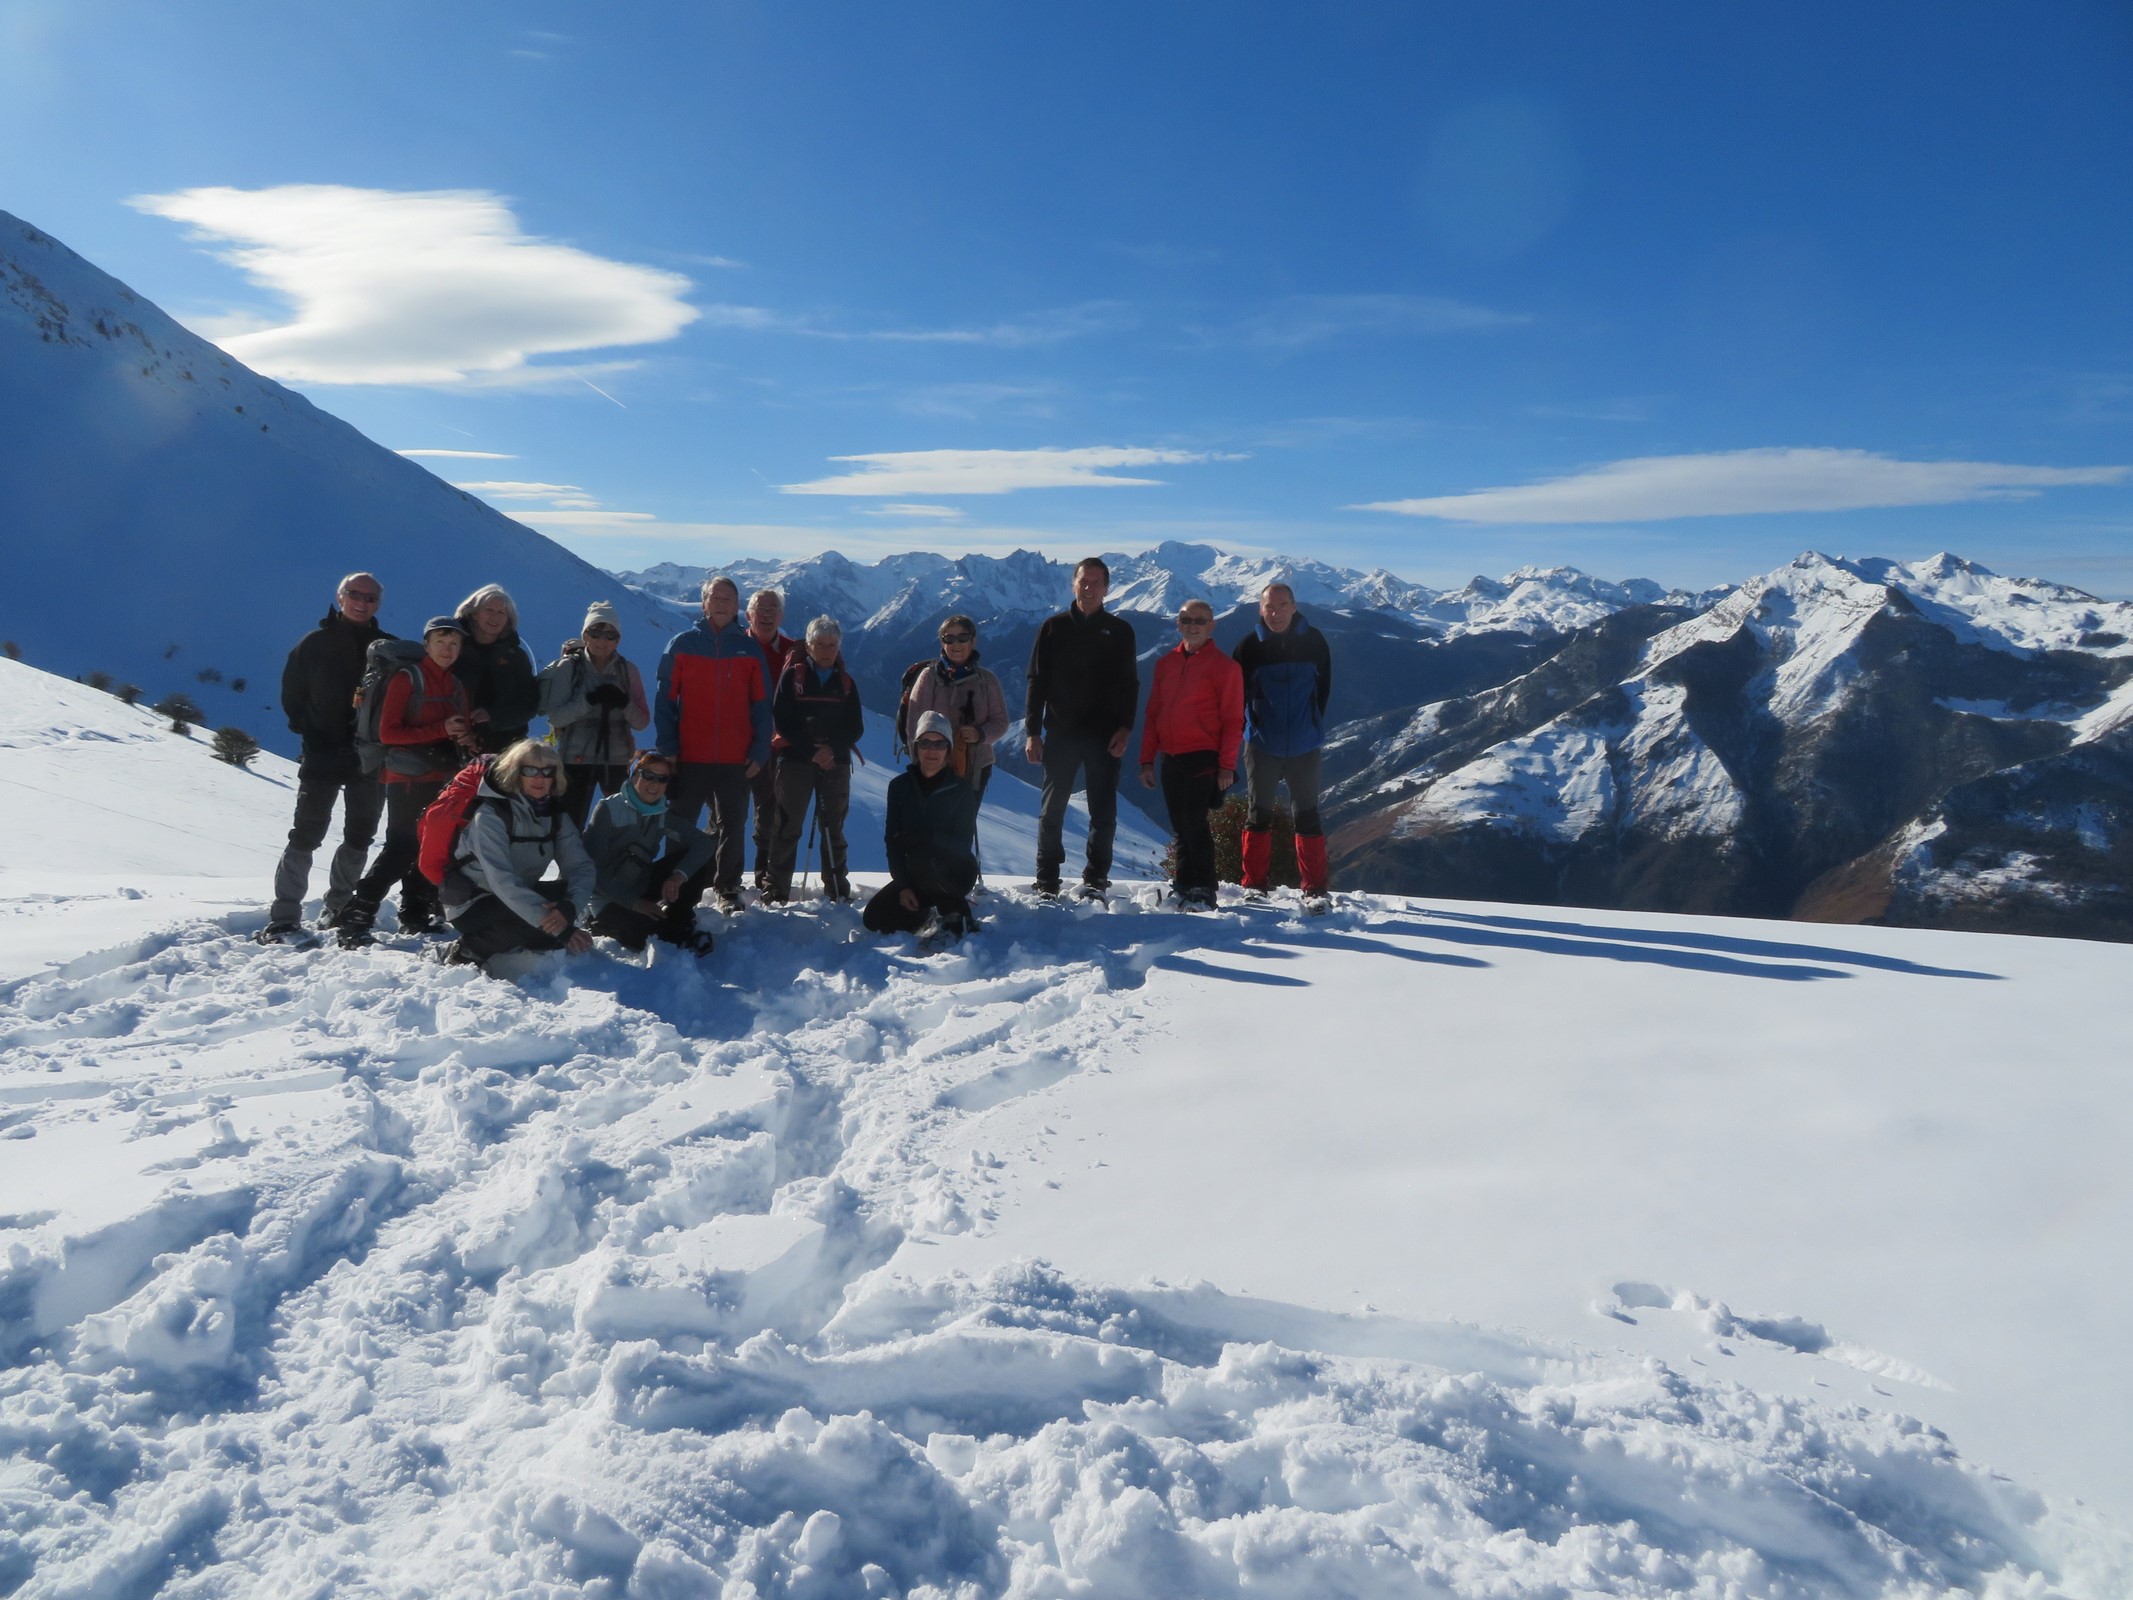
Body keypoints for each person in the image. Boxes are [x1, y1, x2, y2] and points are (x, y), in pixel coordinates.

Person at [258, 572, 390, 943]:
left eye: (370, 597)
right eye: (354, 594)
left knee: (360, 834)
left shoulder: (388, 650)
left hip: (369, 758)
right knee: (306, 834)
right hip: (322, 755)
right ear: (340, 596)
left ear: (378, 604)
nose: (361, 602)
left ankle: (339, 906)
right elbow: (292, 696)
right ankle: (284, 916)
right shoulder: (314, 645)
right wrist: (313, 734)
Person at [339, 615, 478, 945]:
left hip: (441, 774)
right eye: (440, 642)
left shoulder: (455, 685)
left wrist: (465, 737)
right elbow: (389, 732)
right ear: (427, 645)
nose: (447, 649)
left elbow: (460, 728)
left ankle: (413, 912)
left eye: (454, 644)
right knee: (402, 846)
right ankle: (358, 912)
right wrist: (441, 730)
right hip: (406, 776)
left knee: (432, 844)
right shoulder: (407, 678)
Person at [654, 574, 771, 912]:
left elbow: (762, 704)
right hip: (689, 756)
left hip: (736, 757)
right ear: (703, 603)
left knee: (732, 825)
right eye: (714, 598)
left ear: (737, 607)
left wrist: (760, 748)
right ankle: (673, 887)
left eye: (727, 599)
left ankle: (728, 888)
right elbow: (665, 701)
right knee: (679, 825)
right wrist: (668, 747)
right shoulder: (681, 645)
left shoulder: (749, 649)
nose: (721, 604)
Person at [1023, 557, 1138, 898]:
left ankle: (1096, 878)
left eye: (1096, 583)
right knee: (1051, 809)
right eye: (1083, 582)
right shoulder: (1053, 627)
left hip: (1104, 734)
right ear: (1073, 584)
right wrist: (1032, 731)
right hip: (1060, 732)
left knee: (1103, 810)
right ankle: (1047, 879)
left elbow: (1129, 684)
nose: (1089, 589)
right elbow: (1036, 681)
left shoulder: (1120, 631)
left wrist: (1126, 727)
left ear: (1106, 588)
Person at [440, 740, 599, 968]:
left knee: (562, 900)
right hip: (473, 902)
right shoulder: (491, 816)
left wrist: (569, 908)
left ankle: (528, 934)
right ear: (516, 773)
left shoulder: (556, 816)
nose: (540, 778)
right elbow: (502, 881)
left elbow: (581, 867)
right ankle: (467, 950)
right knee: (539, 925)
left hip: (517, 896)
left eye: (547, 772)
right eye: (530, 771)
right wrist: (561, 927)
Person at [1139, 598, 1245, 909]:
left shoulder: (1225, 668)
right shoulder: (1165, 664)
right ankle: (1184, 884)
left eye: (1200, 620)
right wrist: (1146, 759)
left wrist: (1226, 766)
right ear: (1178, 623)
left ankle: (1204, 887)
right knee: (1180, 825)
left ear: (1211, 626)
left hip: (1204, 756)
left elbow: (1233, 719)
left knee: (1194, 822)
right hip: (1170, 757)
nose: (1193, 625)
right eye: (1187, 619)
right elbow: (1154, 713)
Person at [1231, 581, 1334, 899]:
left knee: (1307, 814)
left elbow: (1324, 688)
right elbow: (1237, 696)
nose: (1275, 613)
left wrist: (1311, 722)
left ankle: (1315, 887)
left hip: (1305, 745)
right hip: (1262, 744)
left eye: (1282, 606)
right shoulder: (1249, 647)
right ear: (1260, 610)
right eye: (1269, 607)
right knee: (1257, 813)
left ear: (1294, 606)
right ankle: (1254, 885)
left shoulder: (1314, 641)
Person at [765, 616, 864, 903]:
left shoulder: (845, 683)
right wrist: (814, 751)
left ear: (838, 647)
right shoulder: (792, 677)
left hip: (833, 762)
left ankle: (836, 886)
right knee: (787, 825)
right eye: (819, 644)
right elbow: (782, 720)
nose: (825, 650)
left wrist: (829, 749)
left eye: (831, 645)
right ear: (808, 646)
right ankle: (776, 888)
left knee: (833, 826)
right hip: (796, 761)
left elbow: (855, 726)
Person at [582, 751, 719, 954]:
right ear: (635, 775)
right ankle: (602, 924)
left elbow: (703, 844)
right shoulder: (608, 809)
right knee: (652, 937)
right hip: (606, 899)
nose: (654, 783)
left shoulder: (661, 814)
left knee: (699, 859)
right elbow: (593, 872)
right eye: (649, 775)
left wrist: (678, 876)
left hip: (640, 886)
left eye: (662, 778)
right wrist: (634, 903)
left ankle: (678, 917)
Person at [864, 711, 980, 938]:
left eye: (939, 744)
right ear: (915, 747)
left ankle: (955, 911)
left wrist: (928, 837)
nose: (932, 750)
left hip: (955, 874)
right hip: (915, 875)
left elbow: (963, 845)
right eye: (925, 743)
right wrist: (904, 885)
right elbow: (892, 841)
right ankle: (925, 912)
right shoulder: (899, 787)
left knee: (922, 859)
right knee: (873, 919)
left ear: (948, 750)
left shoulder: (961, 789)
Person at [539, 600, 651, 827]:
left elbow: (642, 722)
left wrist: (623, 702)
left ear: (618, 640)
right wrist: (589, 700)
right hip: (574, 762)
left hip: (615, 761)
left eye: (610, 634)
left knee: (620, 825)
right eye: (596, 632)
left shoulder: (628, 671)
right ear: (585, 635)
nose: (602, 640)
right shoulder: (568, 668)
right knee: (569, 828)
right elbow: (555, 717)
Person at [902, 613, 1009, 803]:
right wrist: (921, 764)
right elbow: (914, 726)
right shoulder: (929, 678)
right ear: (942, 642)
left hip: (976, 767)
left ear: (973, 640)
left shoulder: (987, 680)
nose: (956, 644)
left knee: (963, 825)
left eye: (962, 638)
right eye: (949, 638)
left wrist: (980, 734)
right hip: (934, 766)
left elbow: (1000, 722)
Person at [744, 588, 798, 891]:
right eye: (760, 608)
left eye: (773, 609)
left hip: (776, 747)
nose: (766, 614)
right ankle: (723, 877)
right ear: (749, 614)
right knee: (726, 813)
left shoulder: (793, 651)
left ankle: (763, 874)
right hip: (734, 743)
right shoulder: (733, 646)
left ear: (781, 616)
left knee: (770, 811)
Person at [452, 584, 541, 754]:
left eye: (501, 612)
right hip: (454, 745)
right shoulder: (452, 647)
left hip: (506, 747)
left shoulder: (516, 657)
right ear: (474, 614)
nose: (495, 617)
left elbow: (528, 704)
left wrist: (493, 717)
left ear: (508, 619)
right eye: (489, 610)